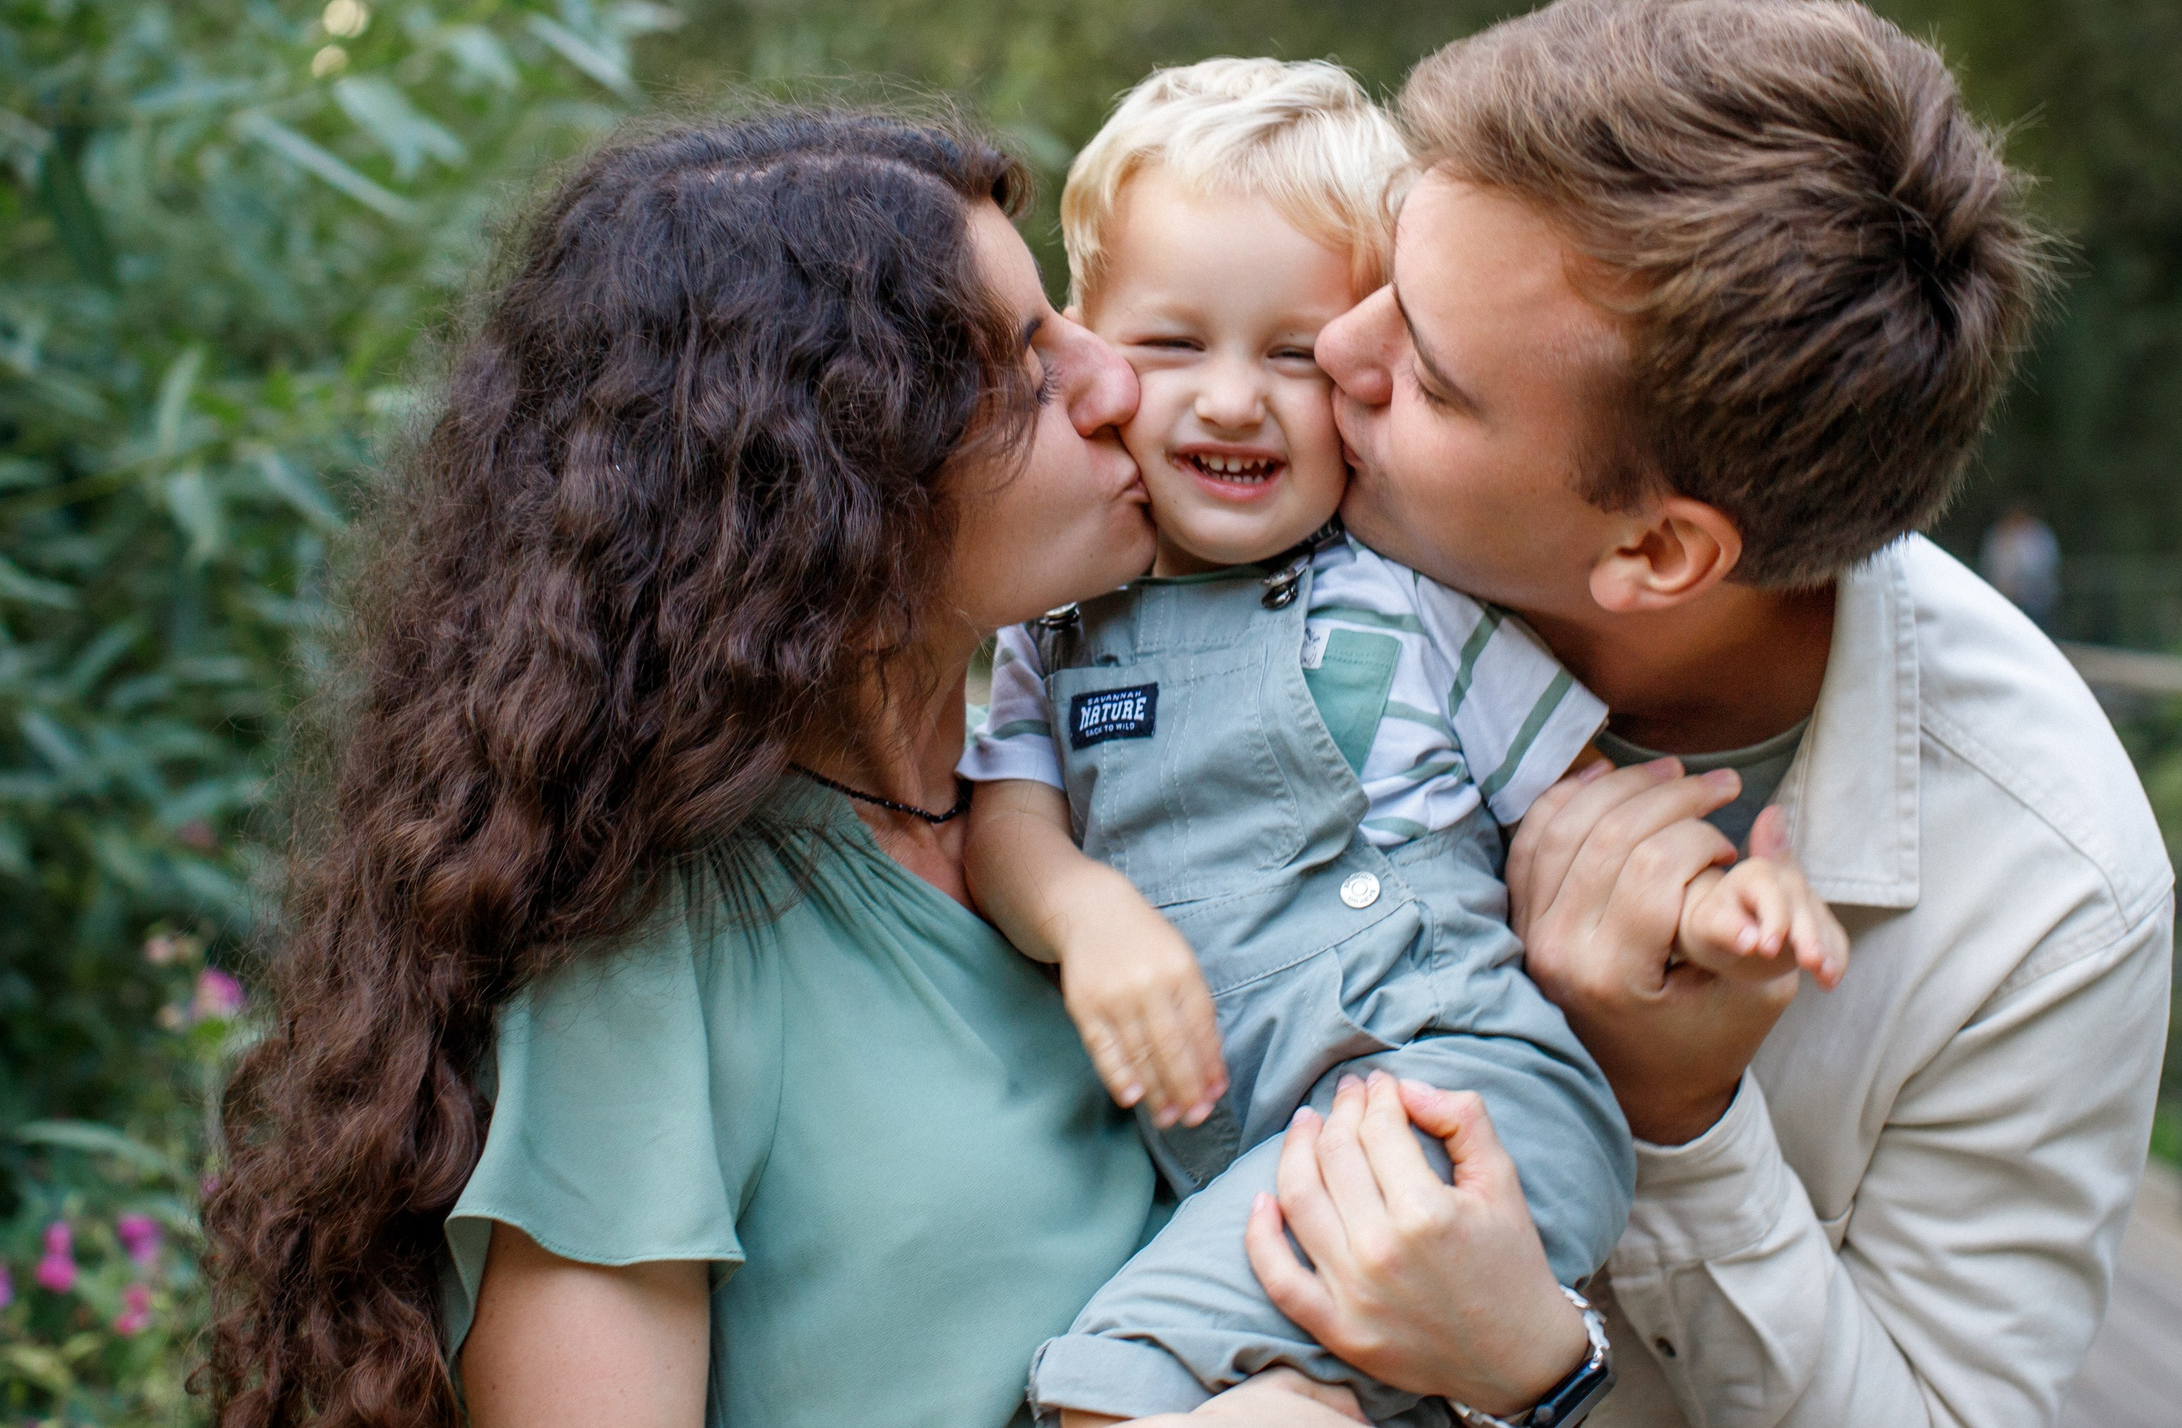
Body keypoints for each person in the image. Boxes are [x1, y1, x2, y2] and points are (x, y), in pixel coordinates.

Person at [196, 108, 1534, 1428]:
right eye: (1028, 368)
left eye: (1069, 321)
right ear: (836, 486)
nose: (1117, 383)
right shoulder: (657, 954)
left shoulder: (1122, 795)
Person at [1289, 0, 2175, 1426]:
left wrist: (1679, 1119)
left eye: (1431, 383)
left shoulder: (2046, 889)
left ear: (1655, 552)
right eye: (1387, 272)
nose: (1335, 350)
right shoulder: (1244, 517)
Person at [958, 59, 1846, 1427]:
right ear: (1086, 342)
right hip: (1252, 1156)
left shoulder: (1413, 600)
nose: (1234, 400)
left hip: (1456, 1102)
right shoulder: (1062, 619)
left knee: (1115, 1388)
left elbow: (1591, 811)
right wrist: (1087, 915)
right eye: (1174, 343)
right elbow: (1006, 822)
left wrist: (1718, 902)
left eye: (1295, 353)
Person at [1982, 504, 2063, 631]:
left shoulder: (2040, 535)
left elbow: (2044, 566)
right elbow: (1991, 564)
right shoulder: (1998, 533)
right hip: (2006, 599)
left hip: (2036, 601)